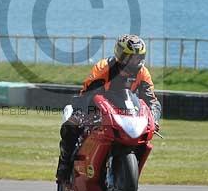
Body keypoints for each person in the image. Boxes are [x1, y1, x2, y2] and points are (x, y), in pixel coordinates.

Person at [55, 34, 162, 183]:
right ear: (120, 55)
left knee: (143, 139)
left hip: (126, 112)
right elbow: (87, 94)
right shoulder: (104, 68)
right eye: (131, 57)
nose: (135, 61)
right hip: (95, 107)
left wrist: (154, 119)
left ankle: (125, 176)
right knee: (71, 125)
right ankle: (64, 165)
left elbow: (152, 101)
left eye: (139, 57)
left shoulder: (143, 73)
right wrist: (86, 113)